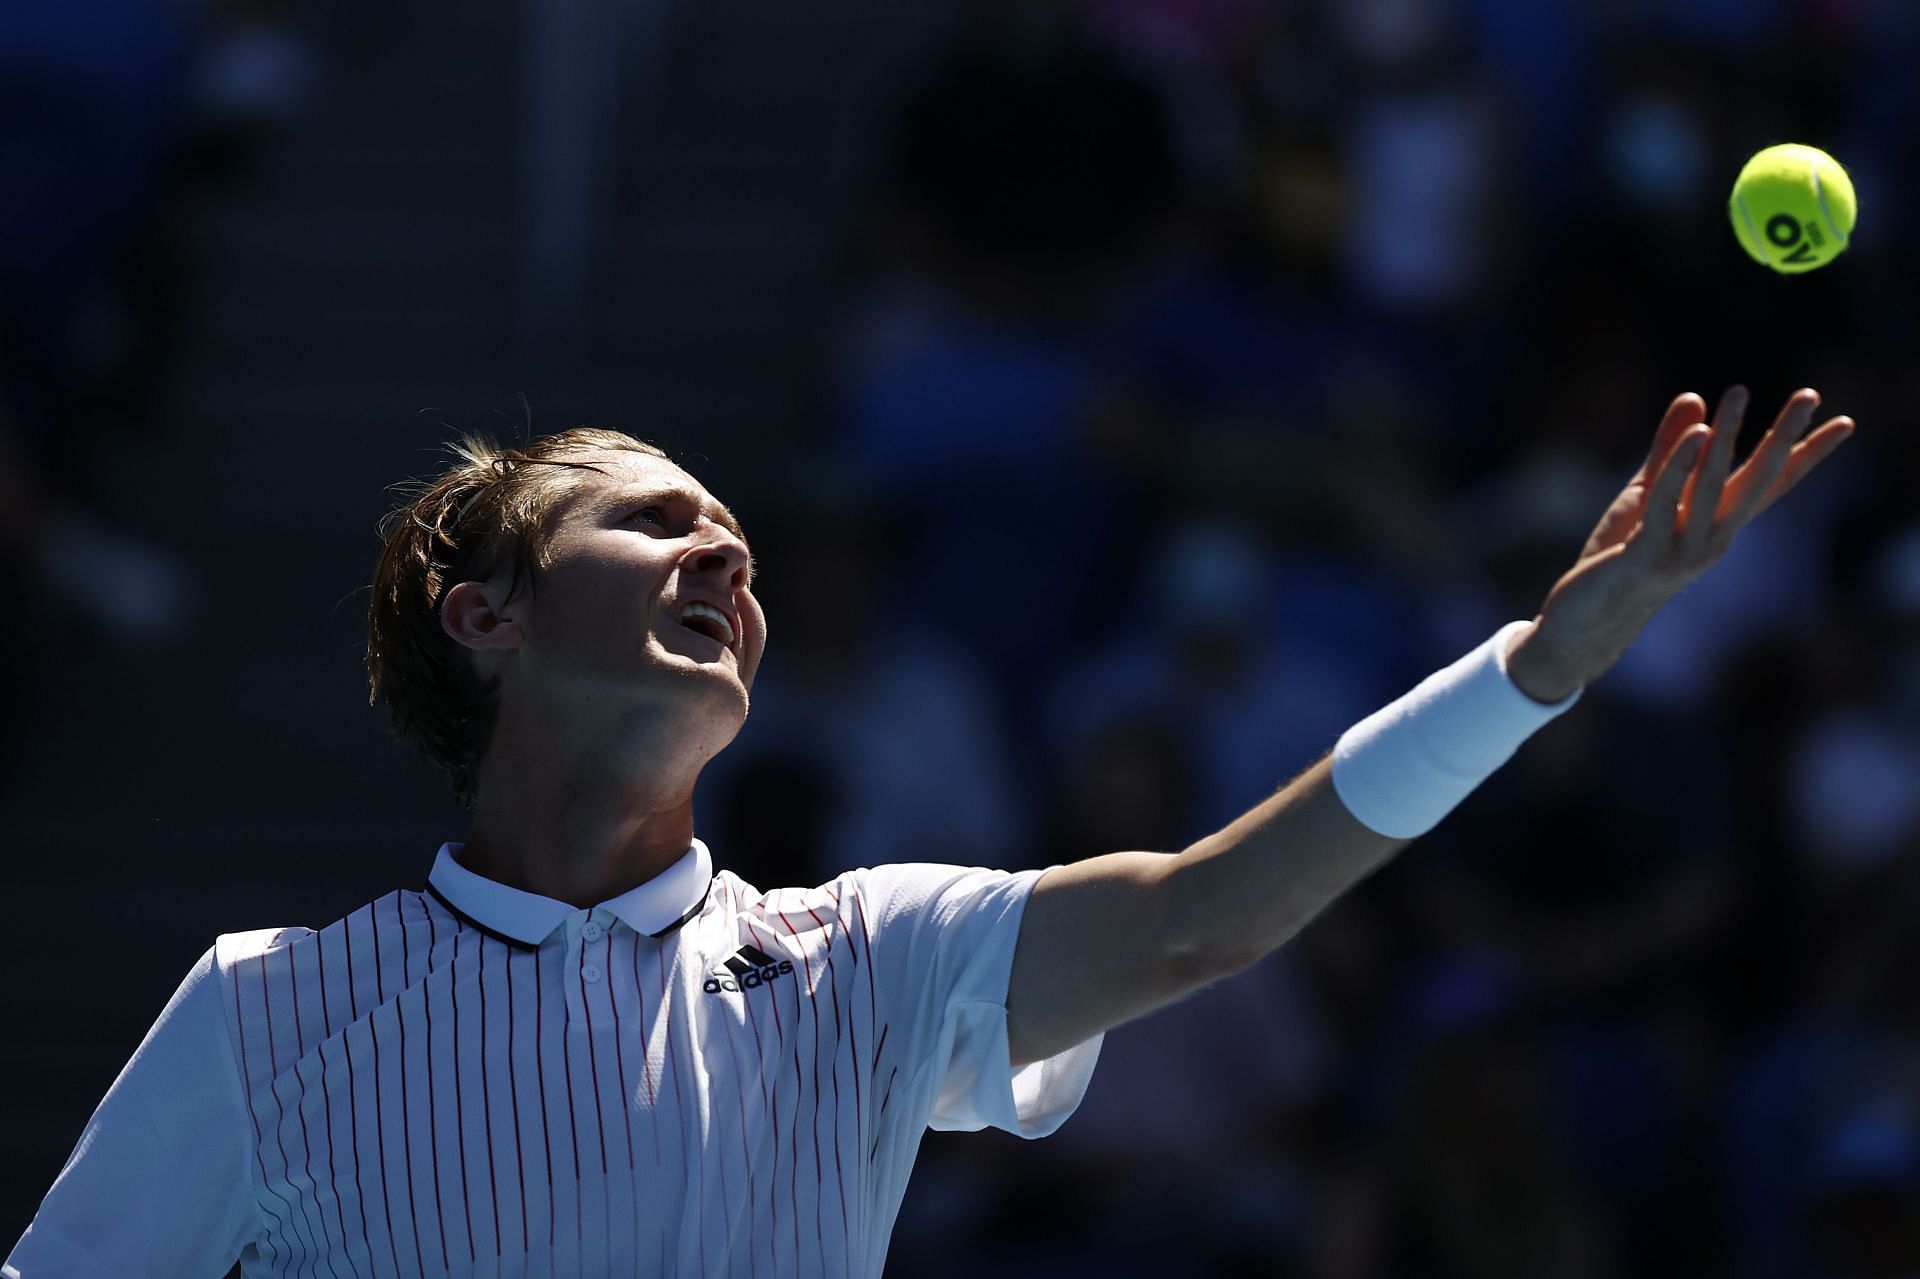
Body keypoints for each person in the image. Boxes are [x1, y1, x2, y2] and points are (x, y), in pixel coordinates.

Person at [3, 387, 1852, 1276]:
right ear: (485, 614)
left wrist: (1543, 659)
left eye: (733, 532)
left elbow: (1215, 914)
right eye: (649, 522)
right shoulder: (262, 1016)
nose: (724, 551)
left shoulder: (870, 959)